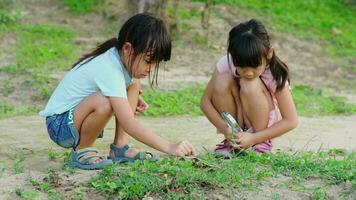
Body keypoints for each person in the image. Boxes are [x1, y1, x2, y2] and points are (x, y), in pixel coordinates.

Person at [39, 13, 196, 170]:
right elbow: (128, 123)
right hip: (59, 125)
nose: (151, 69)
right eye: (149, 62)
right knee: (105, 102)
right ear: (127, 48)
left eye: (156, 63)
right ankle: (82, 151)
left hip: (73, 118)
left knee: (134, 83)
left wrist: (125, 97)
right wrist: (169, 147)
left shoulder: (120, 63)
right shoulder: (109, 68)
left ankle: (120, 147)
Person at [200, 19, 298, 156]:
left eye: (255, 67)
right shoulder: (226, 62)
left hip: (262, 126)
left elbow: (291, 120)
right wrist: (226, 131)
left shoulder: (275, 73)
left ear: (269, 53)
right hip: (237, 122)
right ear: (232, 56)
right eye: (241, 67)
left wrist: (254, 138)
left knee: (249, 83)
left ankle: (260, 143)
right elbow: (205, 103)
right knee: (222, 81)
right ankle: (234, 141)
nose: (249, 72)